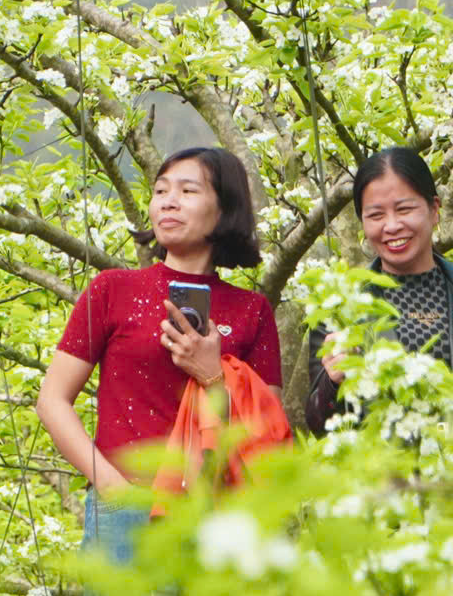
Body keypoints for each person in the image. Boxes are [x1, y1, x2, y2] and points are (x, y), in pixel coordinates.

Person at [36, 148, 284, 566]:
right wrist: (110, 485)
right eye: (160, 190)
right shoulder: (112, 290)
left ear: (225, 209)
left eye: (188, 190)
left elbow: (267, 430)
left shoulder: (251, 311)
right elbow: (51, 400)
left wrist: (213, 376)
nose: (168, 201)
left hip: (215, 511)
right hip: (125, 503)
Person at [304, 147, 453, 432]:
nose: (392, 226)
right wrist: (333, 383)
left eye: (404, 209)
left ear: (434, 209)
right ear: (363, 222)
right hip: (383, 472)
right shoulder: (341, 309)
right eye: (376, 215)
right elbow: (319, 427)